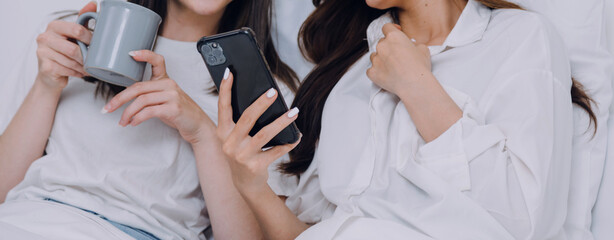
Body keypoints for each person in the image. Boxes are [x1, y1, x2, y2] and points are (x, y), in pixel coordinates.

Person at [216, 0, 598, 239]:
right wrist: (250, 186)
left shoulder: (520, 39)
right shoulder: (342, 75)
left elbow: (527, 224)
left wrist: (418, 87)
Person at [0, 0, 298, 239]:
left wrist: (202, 132)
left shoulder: (266, 93)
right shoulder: (68, 37)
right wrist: (47, 84)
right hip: (23, 217)